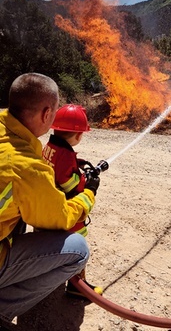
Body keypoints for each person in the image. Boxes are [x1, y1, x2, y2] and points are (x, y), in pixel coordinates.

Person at [0, 73, 100, 326]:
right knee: (78, 250)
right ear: (46, 114)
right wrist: (89, 193)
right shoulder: (26, 167)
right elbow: (61, 219)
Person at [42, 104, 103, 297]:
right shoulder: (66, 155)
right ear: (78, 136)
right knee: (78, 244)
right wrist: (88, 181)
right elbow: (71, 186)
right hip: (67, 211)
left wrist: (76, 165)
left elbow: (57, 169)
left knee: (49, 245)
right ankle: (77, 287)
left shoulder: (50, 147)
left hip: (47, 207)